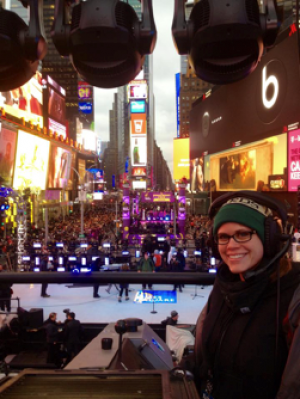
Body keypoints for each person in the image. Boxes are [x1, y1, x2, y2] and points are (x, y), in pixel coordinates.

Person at [186, 191, 300, 399]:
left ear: (270, 237)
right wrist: (188, 369)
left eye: (243, 234)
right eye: (223, 237)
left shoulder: (294, 297)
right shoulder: (223, 287)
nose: (231, 246)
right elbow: (208, 356)